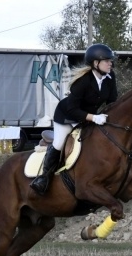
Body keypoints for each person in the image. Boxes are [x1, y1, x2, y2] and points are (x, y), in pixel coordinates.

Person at [30, 44, 118, 195]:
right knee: (59, 143)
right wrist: (94, 117)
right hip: (66, 116)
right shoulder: (83, 81)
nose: (110, 63)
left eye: (110, 60)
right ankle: (43, 178)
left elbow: (112, 102)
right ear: (96, 63)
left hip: (88, 117)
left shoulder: (110, 77)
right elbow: (72, 109)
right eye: (107, 61)